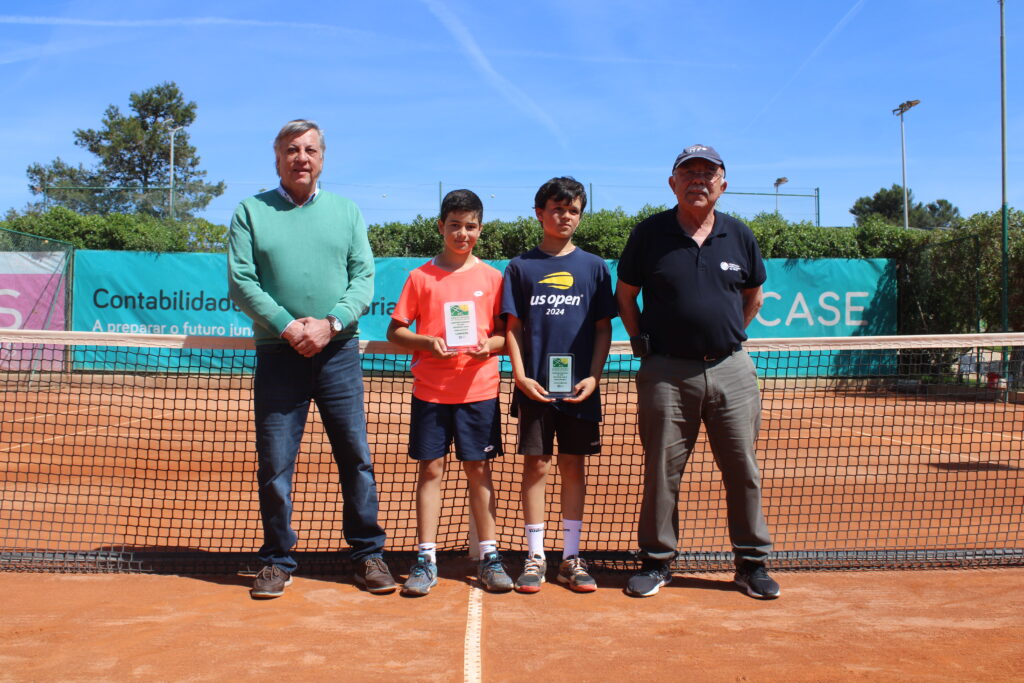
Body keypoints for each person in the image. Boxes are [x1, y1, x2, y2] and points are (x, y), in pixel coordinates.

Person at [228, 119, 395, 599]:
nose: (302, 157)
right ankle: (277, 560)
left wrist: (330, 323)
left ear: (323, 158)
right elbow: (241, 280)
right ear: (277, 158)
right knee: (275, 465)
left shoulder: (347, 212)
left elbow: (363, 278)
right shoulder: (250, 211)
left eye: (310, 150)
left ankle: (367, 555)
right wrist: (287, 325)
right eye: (292, 150)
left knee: (355, 458)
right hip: (278, 355)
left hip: (338, 353)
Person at [615, 144, 779, 599]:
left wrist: (725, 338)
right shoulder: (649, 234)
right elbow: (625, 295)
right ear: (672, 183)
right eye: (689, 172)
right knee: (662, 470)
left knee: (743, 469)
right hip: (666, 371)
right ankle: (657, 561)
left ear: (723, 184)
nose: (698, 180)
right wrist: (640, 343)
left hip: (732, 370)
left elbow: (754, 296)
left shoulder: (741, 235)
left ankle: (751, 563)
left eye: (709, 172)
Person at [386, 189, 512, 596]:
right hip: (432, 392)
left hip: (479, 390)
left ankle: (490, 556)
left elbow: (506, 335)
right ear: (441, 227)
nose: (462, 233)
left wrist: (487, 347)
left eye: (470, 226)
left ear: (480, 229)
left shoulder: (493, 277)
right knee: (431, 471)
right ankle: (426, 558)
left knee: (479, 470)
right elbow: (396, 331)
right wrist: (426, 343)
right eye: (455, 225)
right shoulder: (420, 277)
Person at [501, 177, 615, 593]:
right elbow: (511, 330)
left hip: (580, 389)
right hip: (534, 387)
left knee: (573, 466)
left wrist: (594, 377)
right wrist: (519, 376)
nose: (565, 216)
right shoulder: (520, 267)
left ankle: (570, 558)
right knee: (536, 466)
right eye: (557, 208)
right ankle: (535, 557)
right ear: (539, 213)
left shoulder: (595, 267)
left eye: (573, 210)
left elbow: (603, 330)